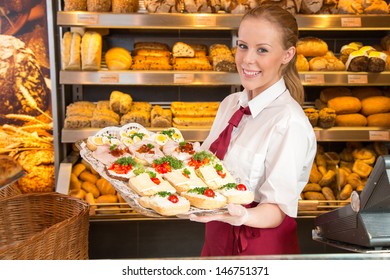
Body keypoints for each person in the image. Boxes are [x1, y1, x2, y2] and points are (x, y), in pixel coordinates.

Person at [189, 4, 317, 256]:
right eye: (243, 45)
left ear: (287, 55)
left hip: (260, 248)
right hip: (217, 239)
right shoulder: (230, 105)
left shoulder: (288, 122)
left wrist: (241, 214)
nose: (247, 59)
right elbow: (208, 168)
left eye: (262, 50)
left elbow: (278, 209)